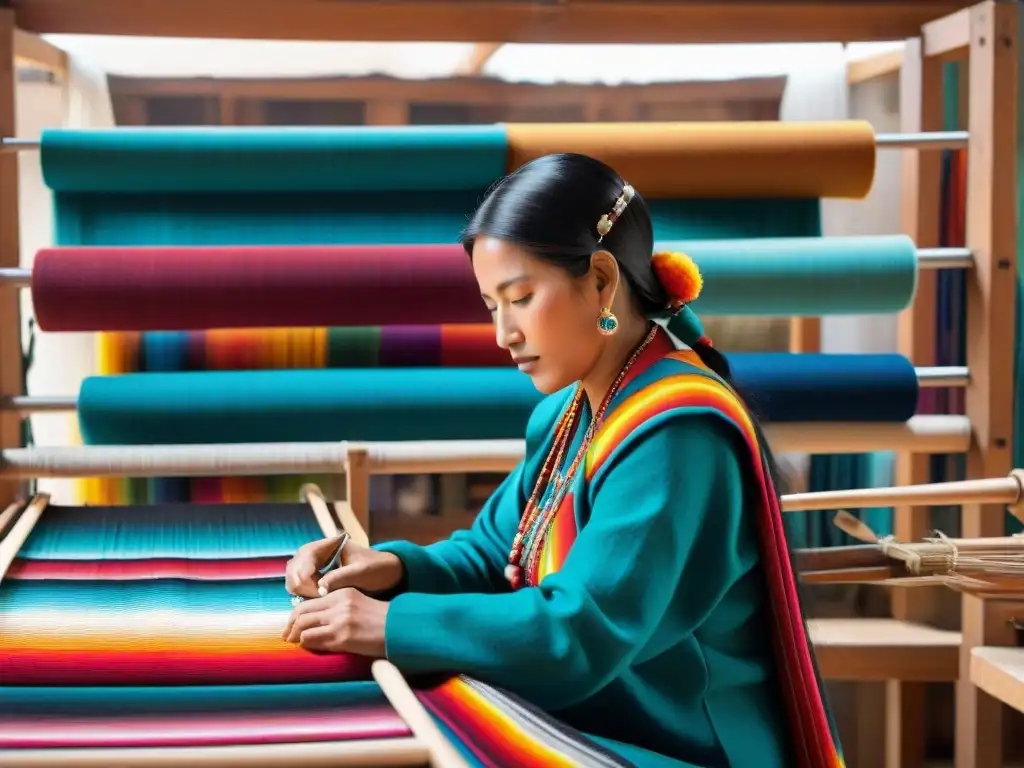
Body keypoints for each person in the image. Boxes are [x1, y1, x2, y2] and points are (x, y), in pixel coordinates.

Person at [282, 153, 844, 768]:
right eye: (492, 307)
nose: (504, 335)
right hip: (598, 717)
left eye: (520, 298)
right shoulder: (570, 412)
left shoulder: (677, 435)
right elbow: (498, 552)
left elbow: (580, 634)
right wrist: (386, 567)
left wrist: (389, 625)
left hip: (683, 745)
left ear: (602, 280)